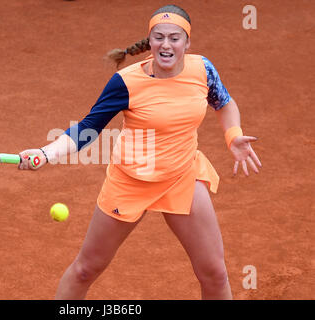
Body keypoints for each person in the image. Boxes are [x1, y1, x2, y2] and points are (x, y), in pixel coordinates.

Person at [18, 4, 262, 300]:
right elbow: (87, 129)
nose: (166, 44)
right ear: (150, 41)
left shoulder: (203, 69)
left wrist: (233, 135)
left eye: (175, 38)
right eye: (159, 37)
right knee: (86, 269)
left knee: (215, 274)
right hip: (131, 181)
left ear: (187, 43)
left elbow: (224, 103)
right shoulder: (126, 82)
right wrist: (46, 153)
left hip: (182, 176)